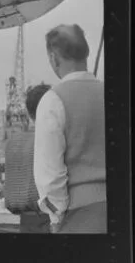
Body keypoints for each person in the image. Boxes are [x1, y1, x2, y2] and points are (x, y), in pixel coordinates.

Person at [34, 24, 106, 233]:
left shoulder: (53, 100)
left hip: (80, 216)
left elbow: (49, 174)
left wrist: (55, 219)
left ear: (54, 58)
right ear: (86, 52)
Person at [4, 84, 52, 233]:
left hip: (25, 220)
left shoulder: (13, 142)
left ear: (29, 113)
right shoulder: (50, 139)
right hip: (48, 219)